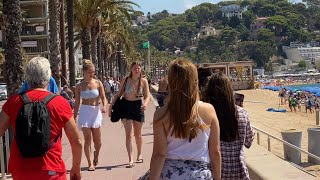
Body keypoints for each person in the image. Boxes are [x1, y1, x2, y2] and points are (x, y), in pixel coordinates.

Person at [0, 57, 82, 180]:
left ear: (27, 77)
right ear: (49, 77)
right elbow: (76, 141)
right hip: (51, 169)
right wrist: (75, 168)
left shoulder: (14, 102)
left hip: (21, 170)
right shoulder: (60, 103)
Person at [143, 58, 221, 180]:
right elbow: (215, 152)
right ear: (194, 81)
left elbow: (159, 154)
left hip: (170, 173)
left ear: (171, 82)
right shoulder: (208, 110)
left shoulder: (161, 114)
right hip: (199, 174)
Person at [203, 72, 254, 180]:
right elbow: (248, 142)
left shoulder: (207, 115)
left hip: (215, 172)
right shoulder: (241, 113)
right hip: (239, 172)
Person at [109, 62, 150, 168]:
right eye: (135, 68)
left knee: (138, 135)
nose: (137, 70)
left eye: (139, 68)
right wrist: (110, 106)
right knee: (128, 134)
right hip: (126, 106)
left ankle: (139, 154)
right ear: (131, 69)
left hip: (138, 107)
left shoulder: (143, 81)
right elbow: (118, 94)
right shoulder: (126, 80)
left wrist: (145, 104)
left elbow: (147, 96)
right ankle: (130, 159)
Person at [74, 59, 107, 171]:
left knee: (98, 141)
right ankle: (89, 163)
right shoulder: (79, 86)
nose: (92, 74)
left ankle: (96, 154)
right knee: (87, 138)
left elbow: (103, 97)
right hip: (84, 112)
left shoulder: (98, 83)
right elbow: (77, 103)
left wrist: (104, 106)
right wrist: (74, 116)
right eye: (90, 72)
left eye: (93, 72)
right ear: (84, 72)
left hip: (95, 111)